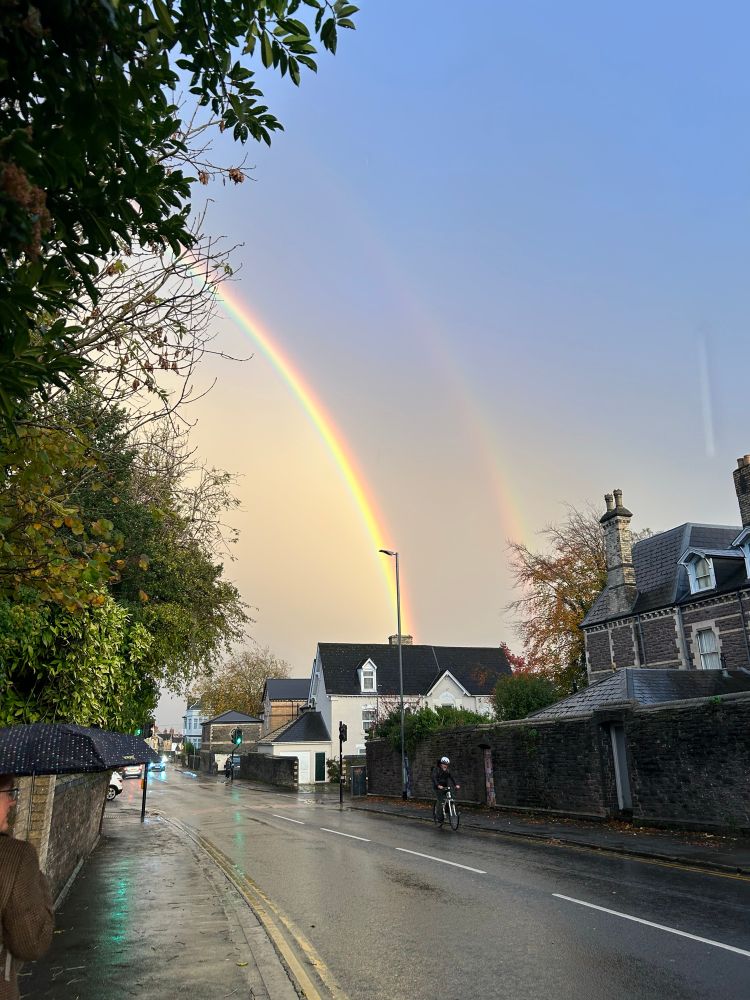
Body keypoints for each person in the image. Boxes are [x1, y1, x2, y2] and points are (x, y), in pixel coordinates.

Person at [0, 774, 54, 1000]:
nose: (13, 801)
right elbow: (32, 943)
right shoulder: (15, 856)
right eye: (8, 793)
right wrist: (38, 881)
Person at [431, 756, 460, 821]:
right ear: (441, 764)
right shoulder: (436, 770)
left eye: (446, 764)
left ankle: (448, 808)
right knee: (441, 801)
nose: (445, 766)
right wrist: (438, 785)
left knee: (451, 797)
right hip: (437, 787)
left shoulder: (447, 771)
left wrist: (456, 784)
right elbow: (434, 778)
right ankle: (439, 817)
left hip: (445, 786)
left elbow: (452, 777)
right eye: (444, 764)